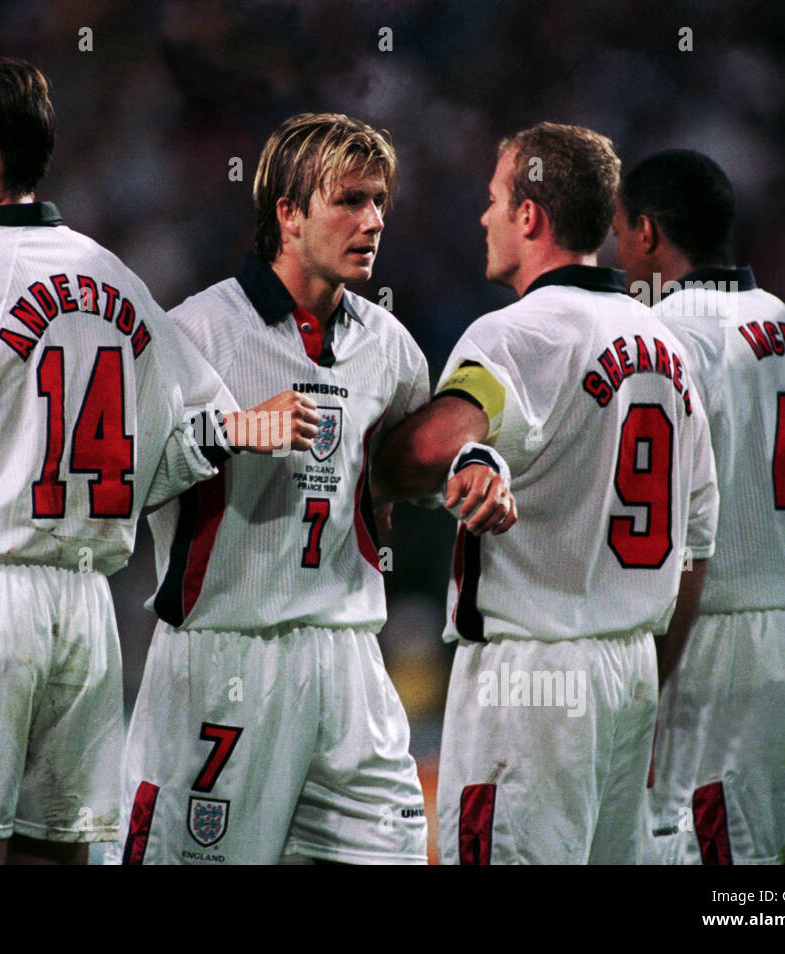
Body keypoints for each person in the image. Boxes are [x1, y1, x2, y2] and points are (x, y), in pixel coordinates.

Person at [0, 49, 316, 866]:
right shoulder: (117, 278)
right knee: (58, 855)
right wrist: (248, 426)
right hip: (87, 616)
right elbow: (199, 435)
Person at [113, 112, 513, 865]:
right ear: (287, 215)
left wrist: (474, 467)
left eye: (380, 202)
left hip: (348, 660)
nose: (374, 221)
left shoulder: (389, 345)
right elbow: (121, 484)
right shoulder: (195, 332)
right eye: (351, 201)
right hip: (223, 658)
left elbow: (396, 477)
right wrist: (230, 431)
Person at [374, 123, 720, 864]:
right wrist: (649, 680)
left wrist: (376, 451)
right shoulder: (670, 349)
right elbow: (695, 550)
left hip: (530, 682)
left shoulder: (520, 334)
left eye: (495, 198)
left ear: (530, 215)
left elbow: (426, 452)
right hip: (629, 674)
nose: (483, 217)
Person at [614, 149, 785, 864]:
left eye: (619, 233)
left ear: (647, 232)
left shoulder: (665, 341)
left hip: (720, 653)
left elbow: (653, 521)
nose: (617, 254)